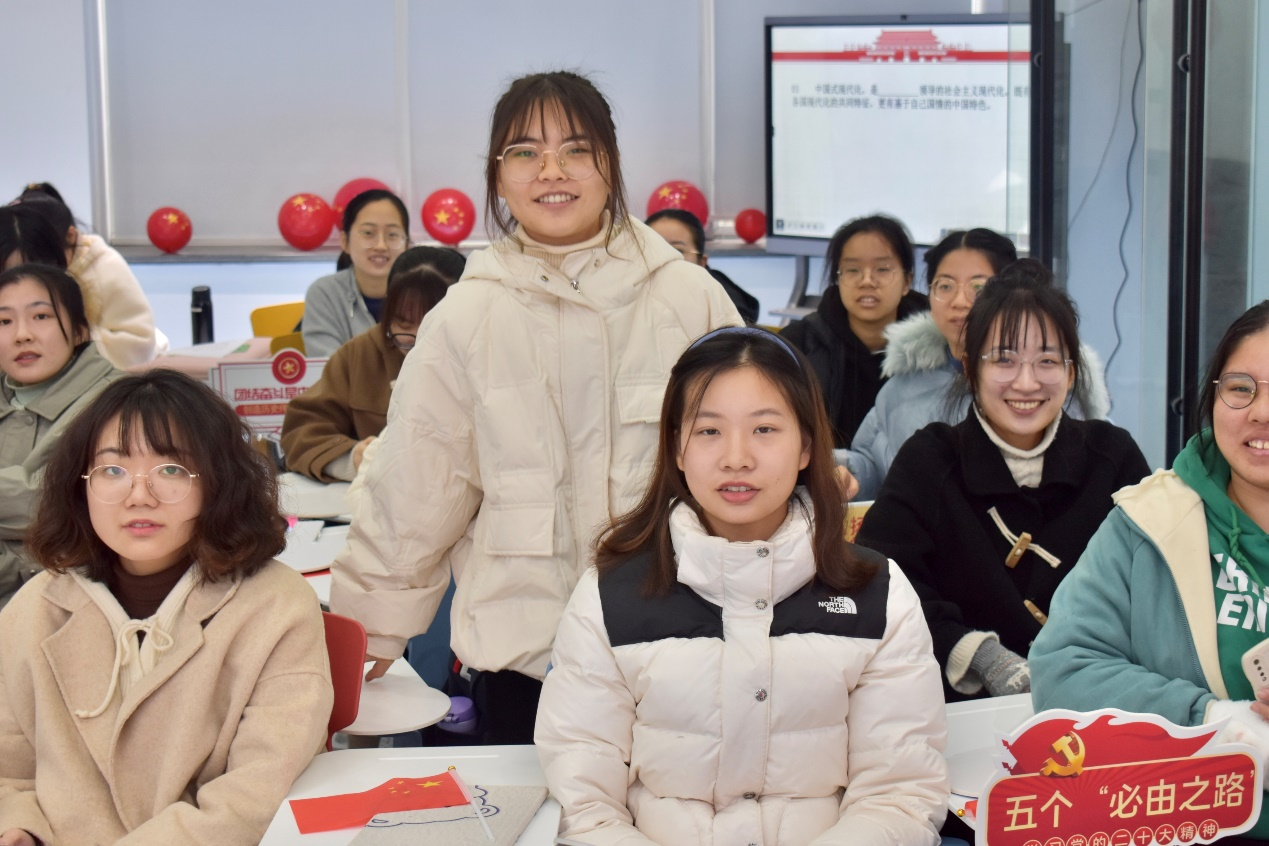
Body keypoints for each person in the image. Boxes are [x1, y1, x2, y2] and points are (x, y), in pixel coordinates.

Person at [330, 70, 740, 745]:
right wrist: (371, 624)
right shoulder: (467, 314)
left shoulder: (689, 299)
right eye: (525, 152)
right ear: (498, 176)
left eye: (577, 149)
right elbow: (417, 483)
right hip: (525, 664)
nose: (552, 170)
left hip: (681, 650)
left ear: (611, 164)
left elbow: (748, 471)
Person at [535, 326, 948, 845]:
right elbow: (583, 800)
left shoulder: (879, 594)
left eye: (764, 429)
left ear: (806, 445)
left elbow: (899, 793)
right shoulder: (609, 596)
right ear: (677, 448)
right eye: (709, 431)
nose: (736, 457)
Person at [0, 368, 333, 846]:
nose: (139, 496)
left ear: (218, 482)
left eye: (171, 470)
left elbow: (255, 796)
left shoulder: (278, 607)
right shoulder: (34, 609)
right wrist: (19, 828)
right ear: (81, 485)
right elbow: (9, 772)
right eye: (112, 471)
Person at [856, 260, 1149, 702]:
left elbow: (1152, 583)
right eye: (1004, 360)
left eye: (1047, 360)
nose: (1026, 383)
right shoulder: (929, 460)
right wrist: (977, 654)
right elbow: (880, 581)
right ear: (970, 367)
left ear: (1071, 371)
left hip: (1096, 703)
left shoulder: (1113, 457)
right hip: (961, 710)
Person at [1031, 301, 1269, 841]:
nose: (1260, 412)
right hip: (1178, 826)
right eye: (1240, 388)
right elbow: (1063, 668)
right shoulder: (1148, 523)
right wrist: (1211, 721)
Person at [843, 230, 1111, 499]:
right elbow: (874, 466)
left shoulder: (1046, 387)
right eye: (945, 286)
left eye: (979, 287)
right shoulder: (903, 385)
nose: (959, 302)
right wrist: (845, 473)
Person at [281, 246, 461, 481]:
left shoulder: (489, 355)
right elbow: (302, 431)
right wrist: (353, 458)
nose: (419, 343)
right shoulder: (360, 354)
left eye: (433, 326)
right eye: (404, 325)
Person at [0, 264, 122, 608]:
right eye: (4, 321)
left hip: (70, 603)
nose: (22, 335)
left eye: (41, 316)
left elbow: (56, 500)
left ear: (80, 330)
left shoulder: (115, 399)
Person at [780, 214, 929, 448]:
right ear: (838, 278)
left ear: (907, 281)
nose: (867, 281)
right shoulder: (797, 347)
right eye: (852, 270)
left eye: (882, 269)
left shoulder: (935, 348)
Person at [14, 183, 164, 368]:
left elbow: (138, 341)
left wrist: (70, 341)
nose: (40, 268)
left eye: (47, 255)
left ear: (71, 236)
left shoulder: (104, 265)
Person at [302, 188, 411, 357]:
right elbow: (328, 365)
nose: (381, 246)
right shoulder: (325, 293)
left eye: (392, 234)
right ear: (345, 241)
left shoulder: (424, 292)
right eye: (368, 233)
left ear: (407, 244)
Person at [646, 208, 760, 324]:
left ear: (702, 262)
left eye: (678, 250)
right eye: (655, 249)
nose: (665, 258)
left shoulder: (726, 309)